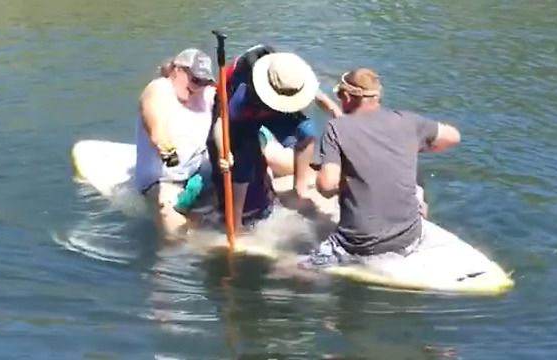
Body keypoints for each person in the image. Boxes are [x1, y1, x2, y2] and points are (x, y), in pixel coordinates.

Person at [300, 67, 460, 267]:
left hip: (357, 245)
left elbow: (326, 187)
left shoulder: (336, 129)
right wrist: (414, 147)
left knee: (287, 268)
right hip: (409, 238)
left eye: (340, 95)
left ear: (348, 96)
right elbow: (453, 136)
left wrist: (342, 177)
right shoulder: (409, 121)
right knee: (416, 175)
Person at [209, 47, 339, 231]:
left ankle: (299, 189)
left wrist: (335, 111)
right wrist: (225, 152)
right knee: (244, 156)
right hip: (244, 114)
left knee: (307, 132)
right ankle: (235, 223)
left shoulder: (289, 72)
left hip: (274, 107)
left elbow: (315, 94)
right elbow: (221, 123)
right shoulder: (242, 91)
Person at [134, 48, 216, 242]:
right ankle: (182, 247)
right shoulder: (160, 89)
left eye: (205, 81)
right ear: (177, 70)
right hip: (165, 179)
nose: (199, 87)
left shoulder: (205, 94)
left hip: (198, 172)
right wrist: (170, 154)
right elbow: (158, 133)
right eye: (195, 80)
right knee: (167, 205)